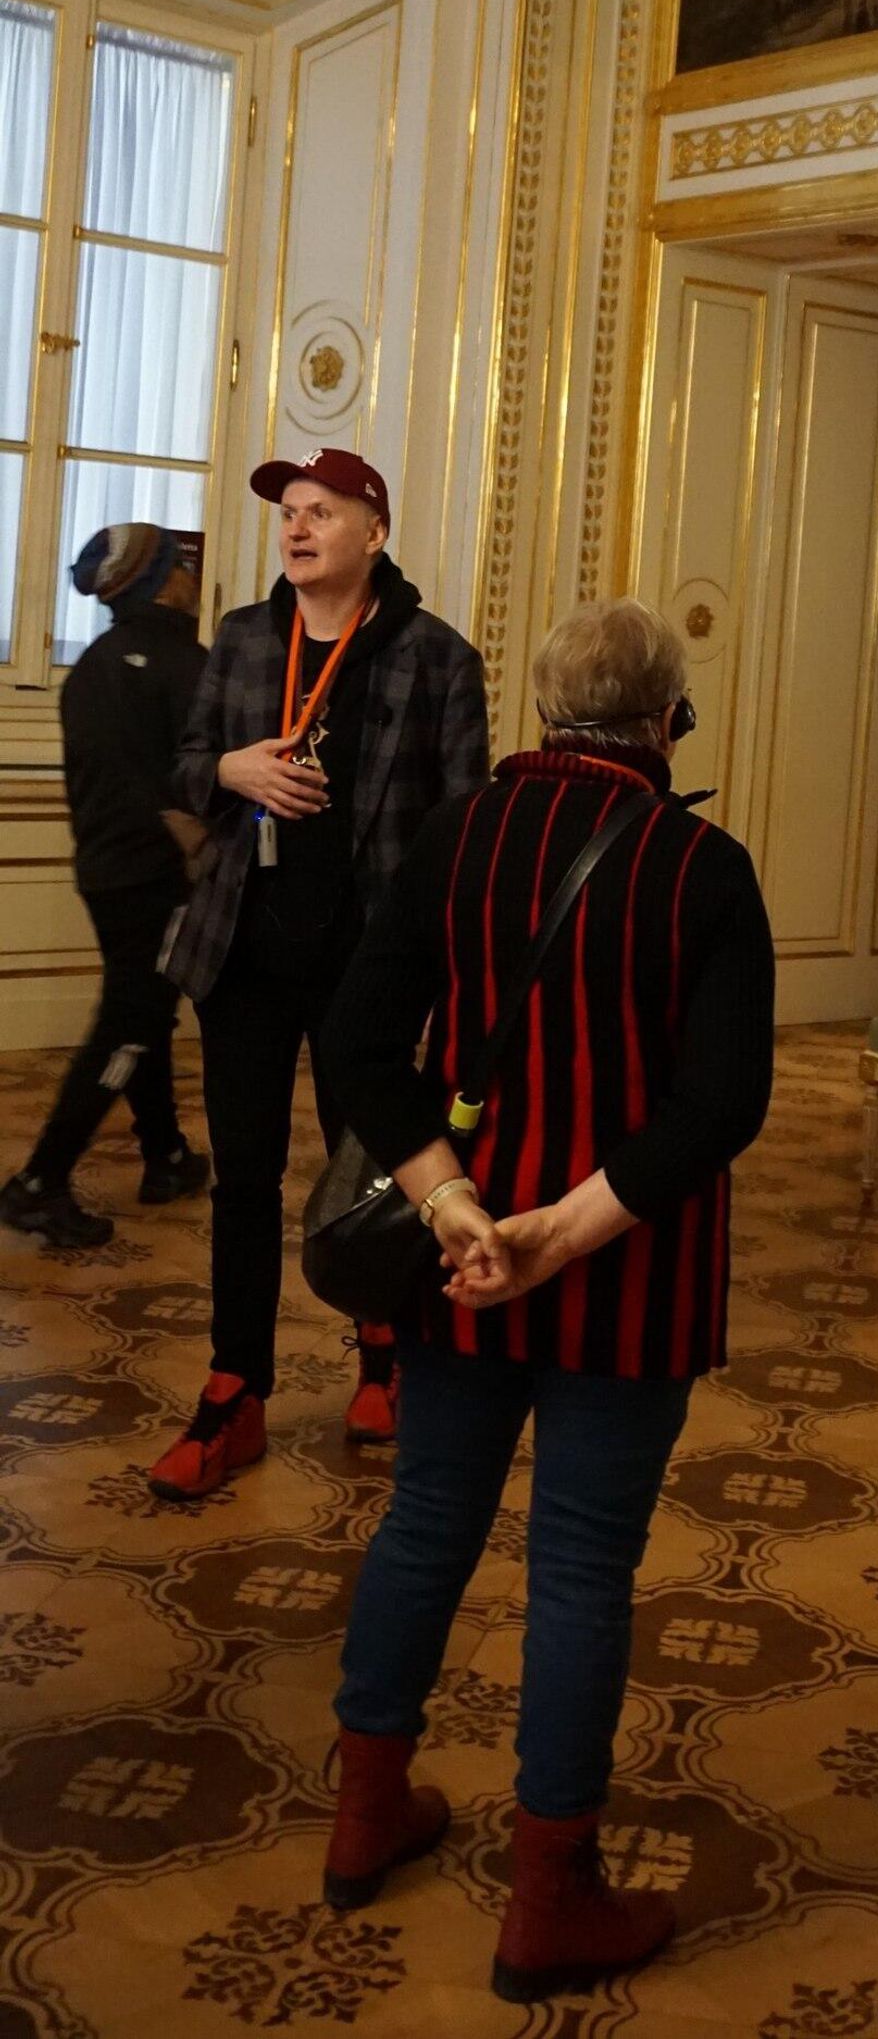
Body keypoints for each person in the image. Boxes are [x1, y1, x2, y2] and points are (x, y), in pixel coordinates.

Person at [316, 598, 775, 2005]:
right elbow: (722, 1101)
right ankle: (549, 1897)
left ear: (540, 709)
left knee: (425, 1524)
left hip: (459, 1263)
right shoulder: (703, 867)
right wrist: (563, 1234)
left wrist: (457, 1209)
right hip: (626, 1275)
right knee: (579, 1568)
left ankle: (364, 1811)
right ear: (666, 721)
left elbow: (358, 1041)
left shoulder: (458, 833)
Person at [145, 450, 489, 1501]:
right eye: (289, 512)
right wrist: (230, 769)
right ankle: (235, 1388)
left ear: (373, 533)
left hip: (368, 971)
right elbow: (184, 767)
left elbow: (464, 824)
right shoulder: (247, 636)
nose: (295, 528)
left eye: (321, 512)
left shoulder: (438, 656)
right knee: (244, 1180)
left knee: (375, 1174)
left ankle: (383, 1353)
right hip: (244, 954)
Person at [1, 524, 210, 1250]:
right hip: (161, 878)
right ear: (161, 581)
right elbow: (198, 782)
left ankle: (167, 1156)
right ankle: (40, 1181)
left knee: (142, 1008)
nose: (191, 575)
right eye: (180, 564)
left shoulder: (91, 667)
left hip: (105, 873)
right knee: (131, 1021)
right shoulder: (185, 664)